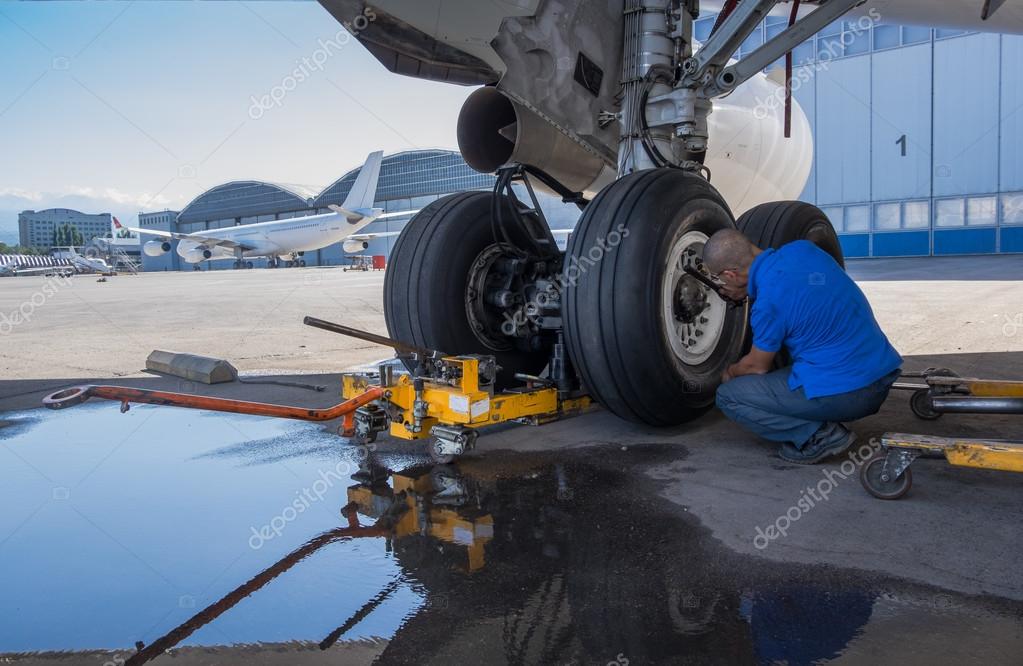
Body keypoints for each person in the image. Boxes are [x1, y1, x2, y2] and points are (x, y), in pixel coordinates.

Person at [702, 229, 901, 464]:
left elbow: (756, 367)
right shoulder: (803, 249)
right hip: (881, 373)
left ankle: (818, 436)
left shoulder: (767, 305)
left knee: (729, 397)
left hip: (853, 393)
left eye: (720, 280)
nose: (721, 285)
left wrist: (730, 372)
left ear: (732, 275)